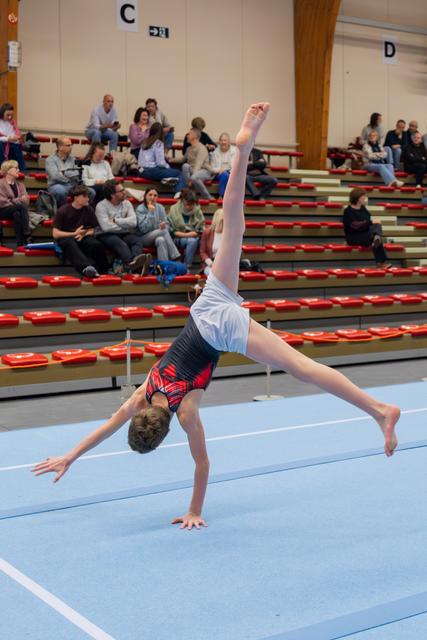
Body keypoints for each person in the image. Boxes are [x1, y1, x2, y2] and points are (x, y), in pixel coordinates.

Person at [32, 103, 400, 531]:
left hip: (219, 331)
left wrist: (194, 511)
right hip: (205, 306)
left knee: (302, 368)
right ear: (141, 416)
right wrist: (70, 455)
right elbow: (108, 427)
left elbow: (202, 465)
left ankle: (378, 410)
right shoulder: (143, 391)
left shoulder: (185, 411)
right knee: (235, 223)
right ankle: (241, 153)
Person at [52, 185, 109, 278]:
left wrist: (83, 234)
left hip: (82, 236)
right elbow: (55, 234)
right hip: (66, 237)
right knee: (69, 243)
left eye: (88, 196)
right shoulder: (63, 210)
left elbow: (92, 229)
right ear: (76, 198)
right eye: (85, 196)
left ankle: (104, 269)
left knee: (95, 244)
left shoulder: (89, 209)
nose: (88, 199)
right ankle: (86, 268)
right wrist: (74, 234)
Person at [95, 180, 149, 274]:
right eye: (121, 191)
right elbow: (106, 228)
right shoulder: (101, 206)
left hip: (124, 233)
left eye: (123, 189)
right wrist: (125, 225)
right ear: (112, 195)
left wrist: (116, 221)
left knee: (137, 240)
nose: (125, 192)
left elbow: (133, 222)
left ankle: (134, 263)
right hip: (106, 235)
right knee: (121, 244)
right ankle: (135, 266)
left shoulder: (127, 203)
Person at [343, 187, 391, 268]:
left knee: (376, 226)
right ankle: (380, 262)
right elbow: (355, 225)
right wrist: (370, 223)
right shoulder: (348, 211)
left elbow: (367, 222)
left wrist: (372, 223)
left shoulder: (363, 209)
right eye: (363, 196)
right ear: (357, 198)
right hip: (353, 236)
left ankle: (376, 238)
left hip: (365, 234)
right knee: (373, 234)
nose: (365, 198)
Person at [138, 123, 185, 196]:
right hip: (151, 171)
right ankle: (179, 195)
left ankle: (166, 178)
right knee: (178, 173)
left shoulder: (145, 142)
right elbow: (160, 163)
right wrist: (168, 167)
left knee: (163, 170)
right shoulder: (158, 143)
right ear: (161, 133)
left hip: (141, 171)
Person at [136, 188, 181, 261]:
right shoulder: (140, 209)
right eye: (150, 195)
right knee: (163, 231)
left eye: (155, 195)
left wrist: (164, 225)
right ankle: (175, 255)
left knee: (161, 240)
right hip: (144, 238)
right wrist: (150, 213)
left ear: (157, 197)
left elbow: (168, 226)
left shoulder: (160, 207)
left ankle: (164, 266)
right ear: (145, 196)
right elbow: (143, 229)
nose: (152, 197)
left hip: (158, 235)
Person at [168, 188, 205, 268]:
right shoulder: (174, 209)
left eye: (191, 204)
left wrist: (192, 234)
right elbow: (171, 230)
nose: (189, 207)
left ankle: (187, 265)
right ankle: (185, 266)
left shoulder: (198, 211)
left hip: (193, 238)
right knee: (192, 240)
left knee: (193, 241)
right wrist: (188, 234)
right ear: (182, 201)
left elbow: (200, 229)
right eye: (187, 204)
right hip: (177, 237)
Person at [0, 159, 31, 246]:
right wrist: (19, 200)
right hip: (2, 211)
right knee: (20, 207)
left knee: (17, 214)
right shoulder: (0, 183)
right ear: (8, 170)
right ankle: (27, 235)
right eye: (16, 168)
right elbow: (2, 202)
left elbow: (27, 201)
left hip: (14, 210)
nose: (19, 170)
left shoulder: (20, 185)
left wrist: (12, 200)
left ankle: (20, 243)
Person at [46, 137, 82, 207]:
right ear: (60, 147)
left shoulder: (73, 159)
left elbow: (77, 173)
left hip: (72, 185)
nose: (71, 147)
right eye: (68, 145)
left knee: (90, 191)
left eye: (71, 145)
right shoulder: (50, 160)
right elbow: (55, 176)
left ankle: (80, 213)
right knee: (60, 191)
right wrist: (70, 177)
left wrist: (63, 173)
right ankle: (63, 212)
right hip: (56, 185)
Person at [181, 128, 214, 200]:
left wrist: (190, 180)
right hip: (194, 171)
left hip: (204, 170)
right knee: (185, 166)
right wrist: (171, 159)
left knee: (194, 178)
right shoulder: (188, 148)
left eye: (189, 134)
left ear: (194, 136)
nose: (187, 136)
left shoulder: (201, 148)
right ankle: (190, 192)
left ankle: (208, 197)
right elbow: (182, 160)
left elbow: (198, 165)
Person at [0, 103, 26, 172]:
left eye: (11, 115)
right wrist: (8, 138)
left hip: (10, 143)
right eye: (7, 115)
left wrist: (18, 138)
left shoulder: (12, 122)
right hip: (2, 144)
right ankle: (3, 168)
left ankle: (21, 170)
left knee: (16, 145)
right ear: (2, 113)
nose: (9, 117)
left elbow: (13, 135)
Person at [210, 133, 237, 197]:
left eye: (225, 140)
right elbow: (212, 168)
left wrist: (230, 172)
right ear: (219, 142)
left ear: (229, 141)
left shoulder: (235, 151)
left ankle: (222, 196)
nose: (223, 142)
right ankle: (223, 196)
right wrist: (219, 170)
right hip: (218, 174)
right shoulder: (215, 153)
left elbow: (237, 166)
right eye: (221, 140)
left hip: (231, 174)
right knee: (224, 174)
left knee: (226, 175)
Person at [199, 207, 224, 275]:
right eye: (222, 221)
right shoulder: (207, 232)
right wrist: (210, 263)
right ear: (217, 221)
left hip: (224, 265)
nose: (224, 223)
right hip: (210, 264)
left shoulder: (228, 234)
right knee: (214, 274)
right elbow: (202, 252)